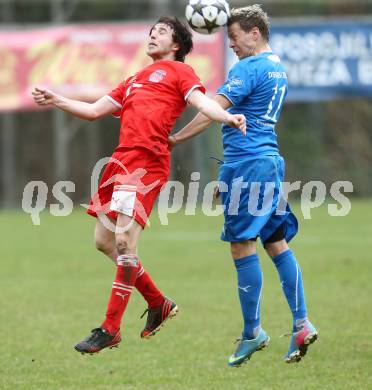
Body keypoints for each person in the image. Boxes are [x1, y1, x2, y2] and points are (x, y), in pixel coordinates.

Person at [32, 16, 246, 354]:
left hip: (146, 163)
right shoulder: (133, 80)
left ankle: (110, 328)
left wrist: (227, 117)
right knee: (104, 241)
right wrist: (57, 99)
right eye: (151, 31)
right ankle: (158, 303)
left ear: (176, 45)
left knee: (124, 242)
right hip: (120, 163)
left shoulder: (180, 72)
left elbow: (202, 103)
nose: (152, 35)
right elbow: (92, 111)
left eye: (160, 32)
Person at [169, 5, 317, 366]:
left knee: (240, 246)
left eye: (234, 37)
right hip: (268, 161)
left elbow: (211, 109)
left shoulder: (249, 68)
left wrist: (174, 140)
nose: (231, 44)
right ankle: (301, 323)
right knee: (276, 242)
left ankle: (253, 332)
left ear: (255, 33)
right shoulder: (277, 66)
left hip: (247, 165)